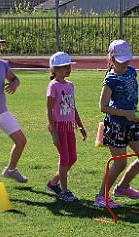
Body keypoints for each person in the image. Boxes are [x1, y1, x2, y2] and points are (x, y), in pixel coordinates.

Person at [94, 40, 139, 208]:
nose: (126, 63)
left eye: (127, 59)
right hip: (116, 126)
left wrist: (134, 112)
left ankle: (123, 187)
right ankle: (100, 197)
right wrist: (126, 113)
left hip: (132, 123)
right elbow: (102, 107)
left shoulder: (132, 72)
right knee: (120, 162)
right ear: (111, 59)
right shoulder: (111, 79)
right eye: (121, 60)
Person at [45, 51, 87, 202]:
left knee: (72, 158)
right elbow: (49, 110)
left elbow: (73, 108)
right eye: (64, 67)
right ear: (54, 69)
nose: (68, 69)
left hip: (69, 126)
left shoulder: (70, 85)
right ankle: (64, 191)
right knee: (64, 158)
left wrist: (80, 126)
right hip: (59, 127)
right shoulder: (53, 86)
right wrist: (54, 132)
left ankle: (53, 183)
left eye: (69, 66)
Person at [0, 32, 27, 183]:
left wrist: (14, 83)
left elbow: (14, 78)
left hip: (2, 113)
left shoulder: (2, 65)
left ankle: (11, 170)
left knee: (21, 141)